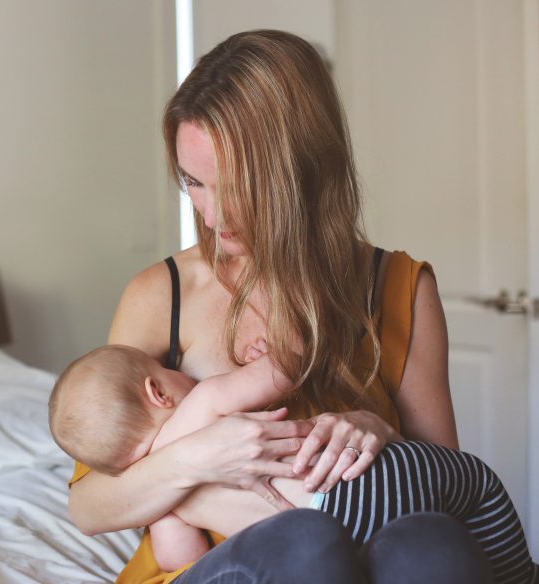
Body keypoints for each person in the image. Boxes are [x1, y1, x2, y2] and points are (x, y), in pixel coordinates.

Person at [67, 29, 501, 584]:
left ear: (303, 174)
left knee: (434, 545)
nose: (214, 216)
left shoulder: (398, 287)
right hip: (217, 565)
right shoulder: (160, 295)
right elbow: (89, 507)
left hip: (368, 549)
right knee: (306, 543)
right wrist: (195, 460)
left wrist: (378, 429)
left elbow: (450, 486)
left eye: (238, 186)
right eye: (194, 183)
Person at [50, 343, 538, 582]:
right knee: (480, 491)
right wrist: (264, 356)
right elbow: (287, 368)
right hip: (370, 475)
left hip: (337, 526)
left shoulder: (160, 504)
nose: (178, 371)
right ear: (157, 391)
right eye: (166, 369)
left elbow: (184, 563)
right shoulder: (202, 403)